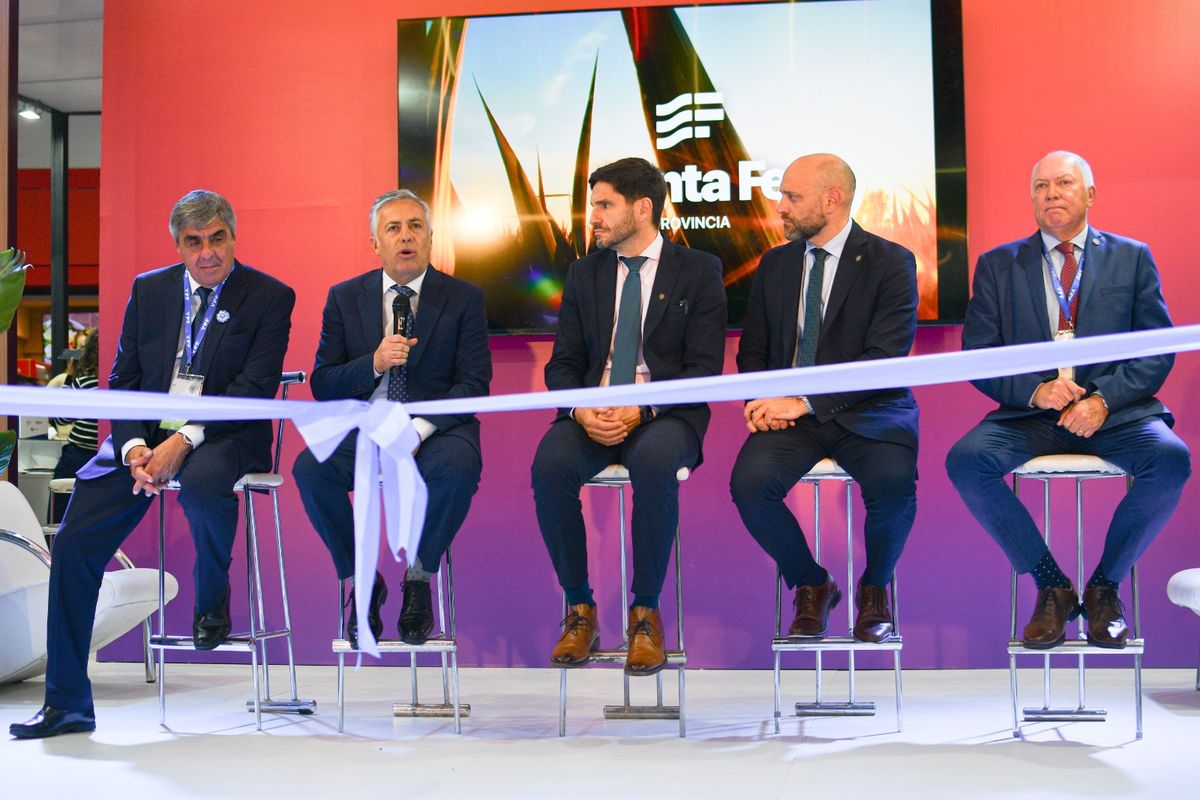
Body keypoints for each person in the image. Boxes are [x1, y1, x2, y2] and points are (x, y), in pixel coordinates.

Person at [10, 189, 296, 739]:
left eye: (217, 239)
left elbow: (252, 387)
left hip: (224, 435)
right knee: (73, 539)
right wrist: (135, 448)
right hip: (145, 440)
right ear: (179, 245)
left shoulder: (269, 296)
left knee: (203, 482)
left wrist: (183, 441)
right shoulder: (150, 289)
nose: (207, 252)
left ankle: (212, 594)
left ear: (233, 237)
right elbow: (125, 377)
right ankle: (67, 702)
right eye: (194, 242)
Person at [946, 151, 1191, 650]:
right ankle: (1051, 586)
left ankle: (1104, 588)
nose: (1050, 193)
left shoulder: (1132, 256)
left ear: (1090, 195)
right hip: (1029, 415)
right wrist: (1034, 390)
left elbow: (1156, 349)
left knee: (1171, 459)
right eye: (1040, 186)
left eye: (1063, 183)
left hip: (1115, 414)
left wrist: (1102, 400)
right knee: (966, 461)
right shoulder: (997, 265)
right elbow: (979, 354)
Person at [531, 157, 726, 676]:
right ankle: (579, 610)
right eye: (592, 205)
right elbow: (564, 365)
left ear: (642, 209)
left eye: (603, 205)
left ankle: (645, 613)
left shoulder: (699, 270)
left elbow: (703, 369)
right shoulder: (584, 272)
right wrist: (580, 408)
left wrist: (642, 408)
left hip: (666, 413)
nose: (591, 216)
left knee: (656, 461)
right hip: (593, 412)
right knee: (549, 467)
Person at [729, 153, 919, 644]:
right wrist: (760, 400)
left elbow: (884, 359)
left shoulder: (891, 262)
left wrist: (806, 401)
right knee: (749, 485)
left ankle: (875, 589)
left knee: (894, 485)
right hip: (790, 415)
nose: (780, 207)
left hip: (870, 410)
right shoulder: (775, 264)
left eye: (792, 197)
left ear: (831, 200)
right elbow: (752, 350)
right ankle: (812, 583)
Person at [292, 189, 491, 648]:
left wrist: (417, 429)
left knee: (459, 469)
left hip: (436, 427)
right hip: (365, 425)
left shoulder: (463, 299)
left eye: (415, 227)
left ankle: (418, 578)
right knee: (310, 468)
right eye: (394, 228)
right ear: (375, 243)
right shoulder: (344, 298)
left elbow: (473, 384)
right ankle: (361, 578)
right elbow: (323, 383)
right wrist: (375, 364)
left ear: (430, 237)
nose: (406, 237)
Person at [50, 329, 101, 522]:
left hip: (78, 456)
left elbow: (61, 418)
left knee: (62, 517)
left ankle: (54, 551)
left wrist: (71, 376)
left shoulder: (84, 381)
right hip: (108, 457)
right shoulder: (122, 384)